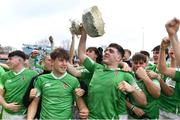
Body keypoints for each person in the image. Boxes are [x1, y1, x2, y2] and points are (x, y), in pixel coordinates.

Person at [77, 27, 147, 119]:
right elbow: (81, 54)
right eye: (106, 50)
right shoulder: (96, 68)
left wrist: (132, 89)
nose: (106, 52)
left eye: (111, 51)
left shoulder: (126, 75)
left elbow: (143, 102)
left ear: (119, 58)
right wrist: (84, 33)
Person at [27, 48, 88, 119]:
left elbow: (80, 103)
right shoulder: (41, 79)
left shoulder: (73, 81)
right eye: (61, 60)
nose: (65, 64)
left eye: (66, 61)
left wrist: (84, 109)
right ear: (52, 62)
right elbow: (35, 103)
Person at [0, 50, 38, 120]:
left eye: (10, 59)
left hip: (23, 115)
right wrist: (6, 105)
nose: (7, 61)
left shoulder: (33, 74)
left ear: (19, 60)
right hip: (6, 113)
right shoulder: (5, 76)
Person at [127, 53, 160, 119]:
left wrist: (144, 77)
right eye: (135, 63)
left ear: (146, 64)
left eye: (141, 63)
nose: (138, 65)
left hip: (150, 116)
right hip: (133, 115)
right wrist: (133, 108)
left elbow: (156, 95)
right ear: (132, 63)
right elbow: (121, 98)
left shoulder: (151, 75)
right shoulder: (128, 76)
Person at [23, 54, 52, 119]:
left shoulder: (65, 79)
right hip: (39, 116)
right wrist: (30, 97)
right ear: (43, 62)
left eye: (54, 60)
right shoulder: (37, 78)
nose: (52, 63)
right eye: (49, 60)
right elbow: (25, 102)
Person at [157, 37, 180, 119]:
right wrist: (163, 49)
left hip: (176, 113)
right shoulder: (177, 72)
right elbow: (165, 70)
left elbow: (163, 70)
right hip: (164, 109)